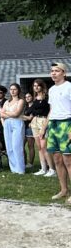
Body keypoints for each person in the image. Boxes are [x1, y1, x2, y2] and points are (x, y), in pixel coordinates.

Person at [46, 62, 71, 202]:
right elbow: (51, 110)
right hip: (53, 125)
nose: (53, 73)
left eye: (56, 70)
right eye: (52, 71)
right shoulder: (51, 90)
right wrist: (45, 127)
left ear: (63, 73)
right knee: (57, 159)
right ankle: (64, 190)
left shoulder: (69, 87)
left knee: (68, 160)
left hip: (67, 123)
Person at [30, 79, 55, 176]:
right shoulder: (35, 98)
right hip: (35, 121)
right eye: (34, 86)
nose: (36, 87)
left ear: (42, 86)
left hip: (44, 121)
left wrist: (46, 124)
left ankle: (52, 169)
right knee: (39, 147)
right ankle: (43, 168)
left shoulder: (47, 97)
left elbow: (51, 111)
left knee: (44, 147)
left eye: (38, 86)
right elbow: (32, 112)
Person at [0, 83, 26, 174]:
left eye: (14, 89)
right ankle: (13, 168)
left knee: (17, 146)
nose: (13, 91)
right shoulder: (7, 102)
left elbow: (16, 114)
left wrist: (5, 112)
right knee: (9, 147)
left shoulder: (21, 101)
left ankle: (20, 169)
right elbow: (1, 114)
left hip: (17, 123)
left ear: (18, 90)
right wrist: (6, 114)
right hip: (7, 124)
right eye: (11, 89)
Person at [22, 92, 36, 169]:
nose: (27, 98)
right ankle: (24, 162)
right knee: (22, 145)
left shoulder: (34, 106)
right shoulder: (25, 107)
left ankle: (30, 163)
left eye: (29, 96)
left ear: (32, 97)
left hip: (30, 128)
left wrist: (21, 116)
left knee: (30, 146)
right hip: (24, 127)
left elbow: (31, 118)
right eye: (26, 97)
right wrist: (25, 117)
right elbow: (26, 117)